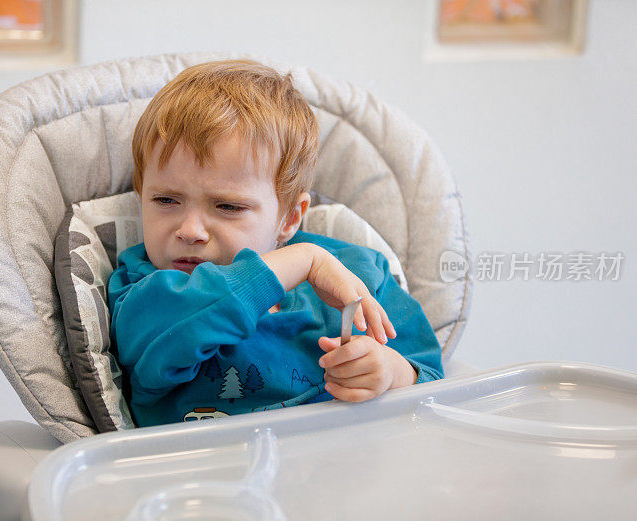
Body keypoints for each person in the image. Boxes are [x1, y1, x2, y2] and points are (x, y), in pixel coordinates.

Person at [108, 59, 443, 427]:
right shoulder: (141, 290)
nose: (190, 230)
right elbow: (182, 325)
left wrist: (393, 373)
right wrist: (304, 261)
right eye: (166, 200)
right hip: (202, 480)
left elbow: (434, 385)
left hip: (345, 472)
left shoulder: (359, 273)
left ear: (289, 218)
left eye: (228, 206)